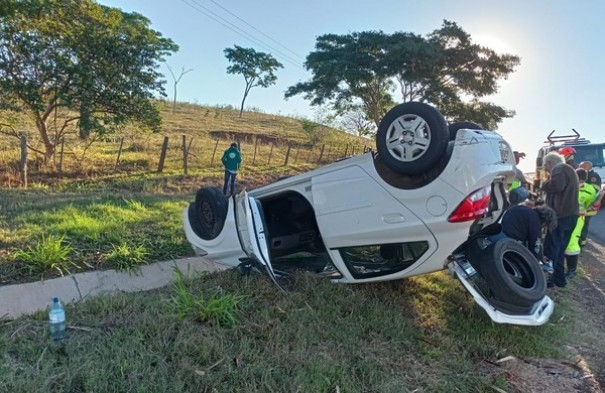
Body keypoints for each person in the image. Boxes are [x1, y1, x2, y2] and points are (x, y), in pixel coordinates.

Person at [541, 151, 579, 288]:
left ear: (551, 163)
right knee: (559, 248)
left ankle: (553, 279)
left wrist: (543, 184)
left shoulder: (559, 169)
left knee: (553, 248)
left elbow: (556, 186)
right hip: (570, 216)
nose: (546, 169)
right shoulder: (568, 170)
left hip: (562, 217)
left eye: (546, 165)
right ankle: (559, 280)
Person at [501, 186, 557, 262]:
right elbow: (535, 244)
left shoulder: (529, 212)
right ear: (545, 220)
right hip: (511, 237)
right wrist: (536, 262)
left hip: (503, 231)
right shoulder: (535, 221)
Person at [563, 169, 597, 279]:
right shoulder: (566, 185)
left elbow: (589, 205)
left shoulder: (590, 190)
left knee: (571, 242)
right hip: (563, 217)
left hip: (578, 219)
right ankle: (559, 265)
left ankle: (571, 270)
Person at [578, 161, 602, 247]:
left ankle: (581, 243)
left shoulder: (593, 176)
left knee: (583, 226)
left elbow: (594, 191)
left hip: (588, 206)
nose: (580, 168)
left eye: (581, 166)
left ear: (587, 166)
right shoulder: (587, 174)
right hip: (584, 206)